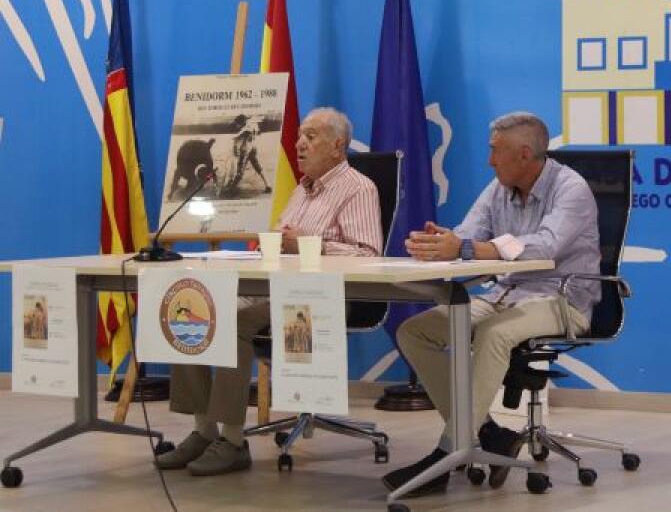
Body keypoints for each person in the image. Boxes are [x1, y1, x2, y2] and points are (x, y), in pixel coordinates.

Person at [382, 111, 600, 496]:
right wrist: (442, 241)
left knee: (495, 334)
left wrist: (465, 247)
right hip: (505, 294)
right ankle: (487, 433)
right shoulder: (499, 186)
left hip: (562, 298)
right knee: (414, 331)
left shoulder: (571, 188)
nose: (489, 160)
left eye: (495, 151)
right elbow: (469, 233)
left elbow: (545, 247)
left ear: (524, 153)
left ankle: (447, 454)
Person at [156, 107, 382, 476]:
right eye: (299, 137)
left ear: (338, 146)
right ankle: (202, 430)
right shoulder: (302, 190)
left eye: (311, 137)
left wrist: (307, 243)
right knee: (193, 306)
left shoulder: (357, 187)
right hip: (278, 289)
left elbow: (368, 254)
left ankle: (232, 441)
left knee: (234, 320)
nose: (298, 144)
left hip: (325, 297)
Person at [223, 113, 272, 198]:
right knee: (258, 167)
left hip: (245, 151)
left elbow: (243, 132)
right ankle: (268, 185)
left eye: (237, 124)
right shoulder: (253, 125)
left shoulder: (247, 129)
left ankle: (231, 189)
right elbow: (256, 132)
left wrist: (235, 137)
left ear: (241, 123)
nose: (236, 126)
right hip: (253, 148)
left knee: (240, 171)